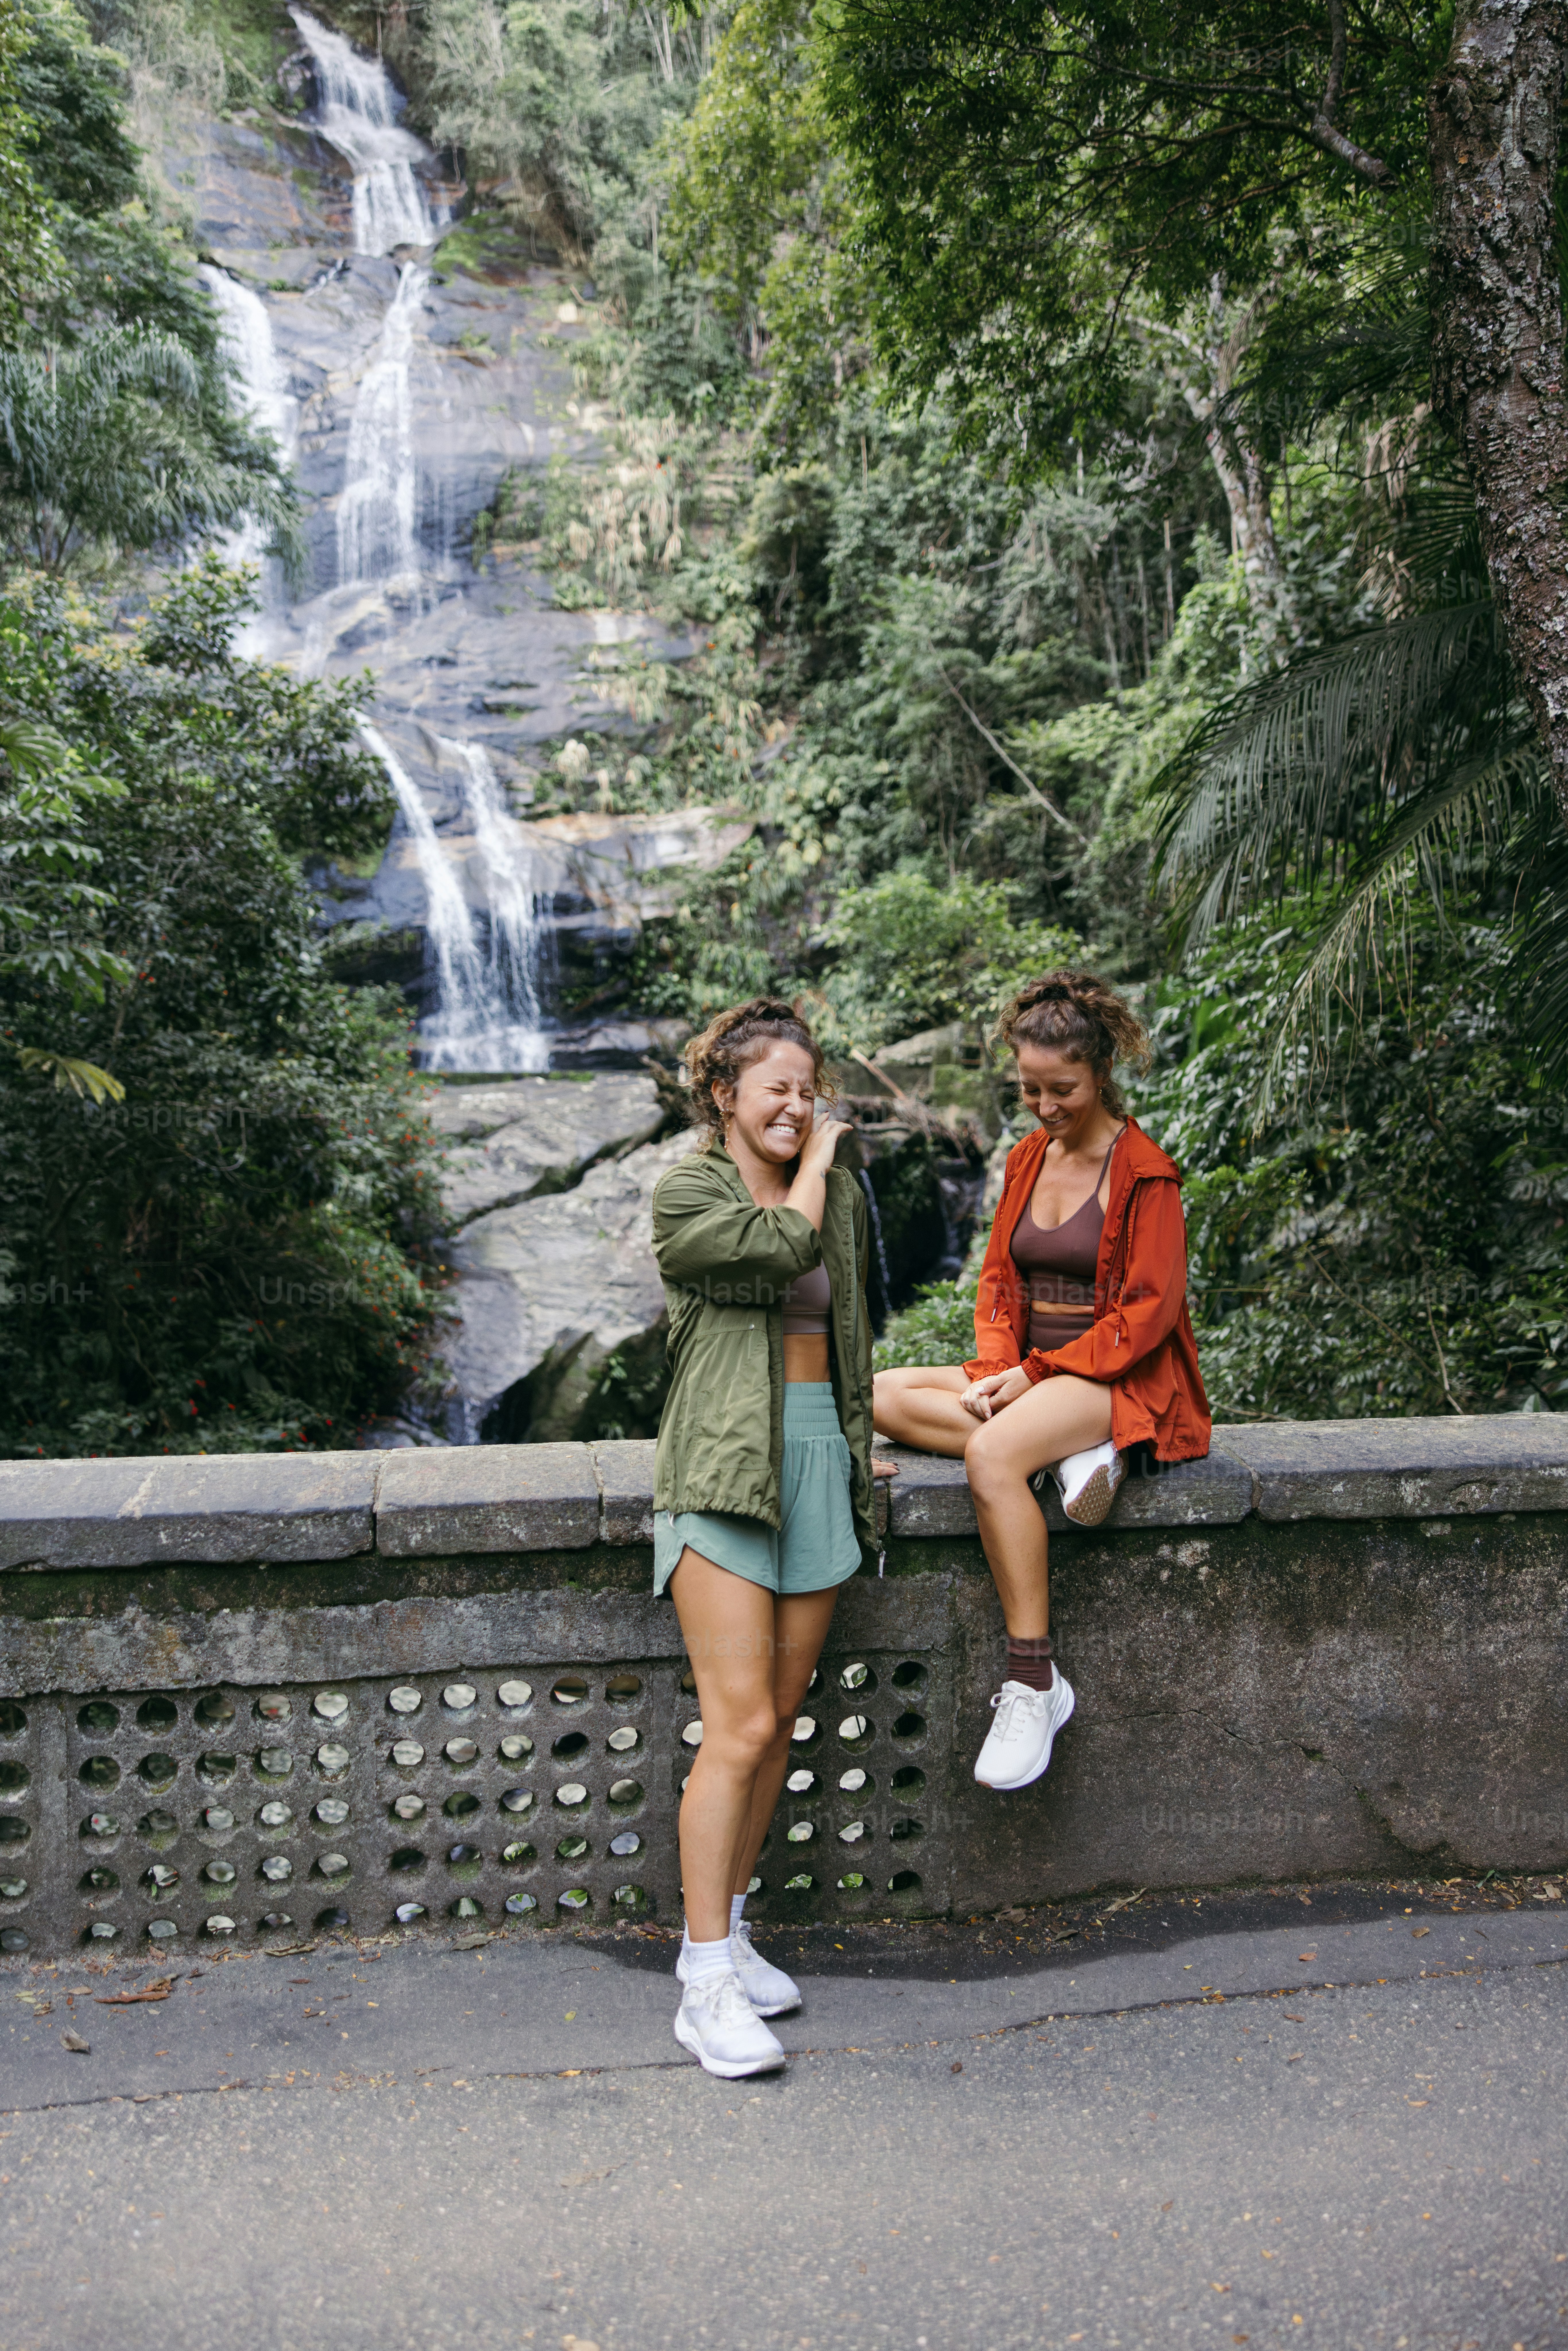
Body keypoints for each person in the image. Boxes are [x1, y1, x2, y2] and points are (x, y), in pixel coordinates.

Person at [874, 970, 1210, 1796]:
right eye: (1029, 1088)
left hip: (1118, 1375)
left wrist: (1033, 1377)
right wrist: (998, 1370)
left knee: (991, 1458)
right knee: (880, 1394)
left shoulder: (1146, 1173)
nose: (1046, 1105)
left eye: (1062, 1088)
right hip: (1033, 1376)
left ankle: (1034, 1682)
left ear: (1099, 1074)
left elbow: (1149, 1314)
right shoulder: (1027, 1157)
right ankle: (1069, 1456)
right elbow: (997, 1283)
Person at [650, 996, 894, 2079]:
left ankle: (734, 1930)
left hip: (812, 1465)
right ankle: (701, 1981)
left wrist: (850, 1449)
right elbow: (775, 1244)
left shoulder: (829, 1199)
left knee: (785, 1719)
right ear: (725, 1097)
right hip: (721, 1470)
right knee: (739, 1725)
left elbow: (847, 1335)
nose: (799, 1107)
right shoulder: (688, 1191)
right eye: (777, 1091)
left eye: (810, 1089)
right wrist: (823, 1159)